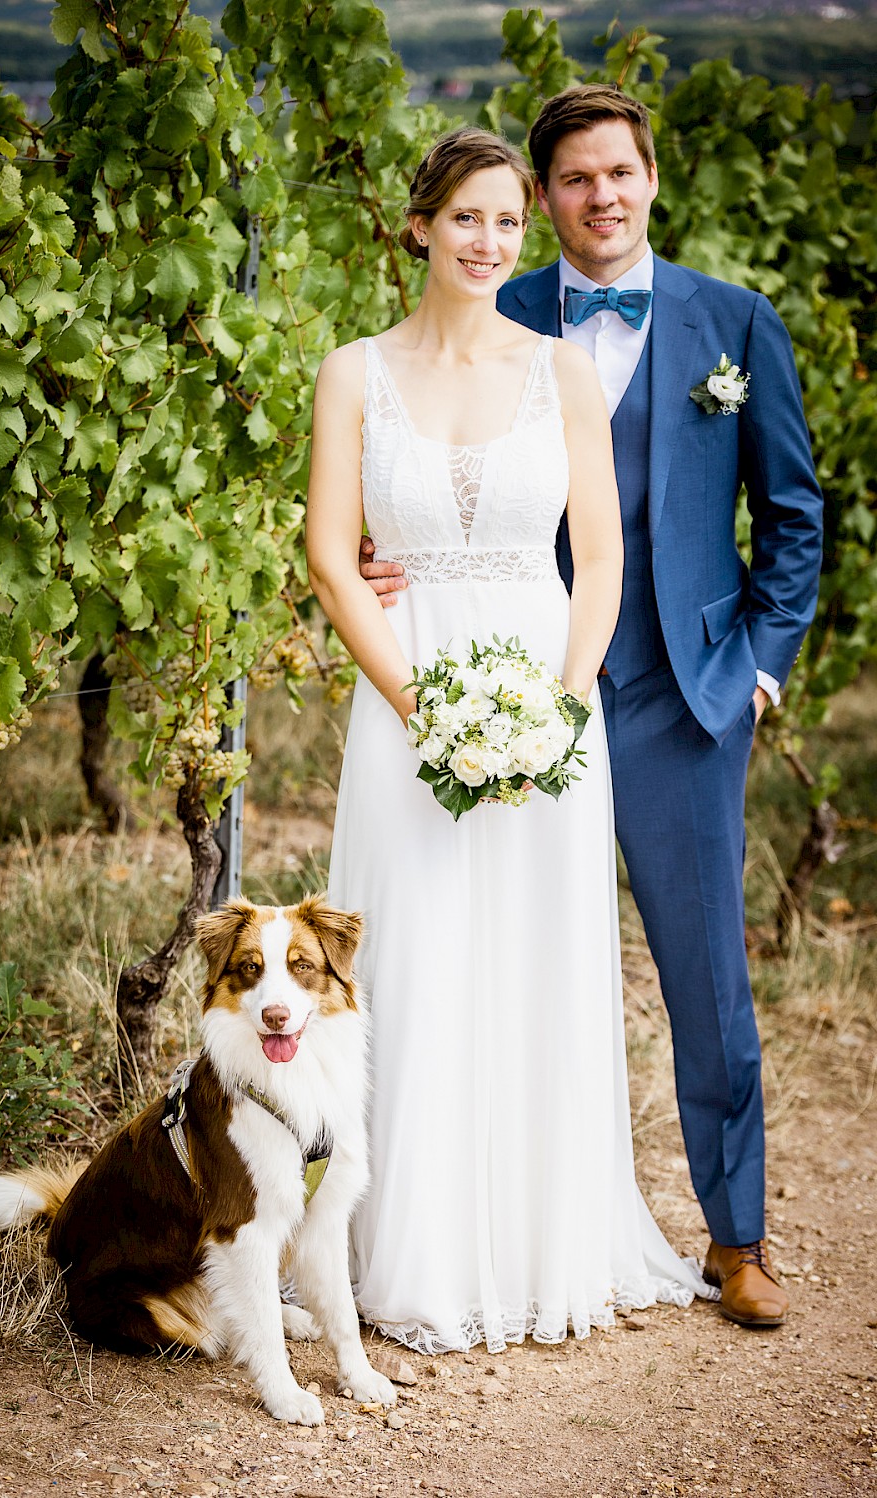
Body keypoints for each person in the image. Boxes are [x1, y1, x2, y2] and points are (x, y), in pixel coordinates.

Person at [361, 89, 825, 1330]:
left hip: (680, 701)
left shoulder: (733, 324)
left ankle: (737, 1239)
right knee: (495, 961)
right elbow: (414, 461)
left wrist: (758, 670)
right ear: (543, 202)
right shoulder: (491, 305)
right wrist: (379, 552)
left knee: (704, 979)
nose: (598, 197)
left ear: (652, 179)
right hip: (512, 693)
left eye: (618, 172)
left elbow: (793, 518)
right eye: (572, 180)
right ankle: (494, 1232)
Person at [308, 125, 712, 1356]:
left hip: (544, 691)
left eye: (506, 223)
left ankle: (539, 1238)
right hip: (406, 692)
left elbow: (600, 557)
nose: (489, 242)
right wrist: (420, 702)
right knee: (419, 952)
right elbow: (332, 554)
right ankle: (407, 1241)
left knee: (534, 953)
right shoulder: (351, 372)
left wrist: (557, 698)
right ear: (418, 223)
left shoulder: (560, 373)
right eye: (467, 218)